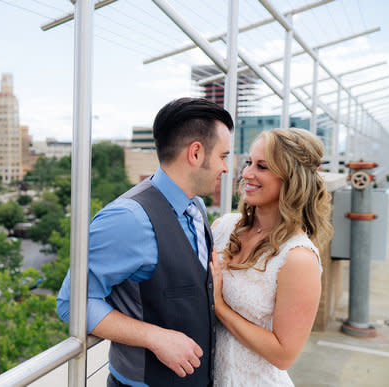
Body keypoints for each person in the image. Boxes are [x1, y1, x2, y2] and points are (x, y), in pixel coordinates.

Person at [57, 97, 233, 386]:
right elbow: (71, 302)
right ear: (196, 153)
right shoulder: (128, 219)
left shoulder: (197, 207)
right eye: (223, 156)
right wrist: (154, 337)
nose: (226, 168)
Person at [209, 128, 333, 386]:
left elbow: (283, 355)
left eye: (262, 167)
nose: (247, 174)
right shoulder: (223, 228)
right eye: (249, 163)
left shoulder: (298, 258)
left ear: (292, 178)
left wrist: (219, 307)